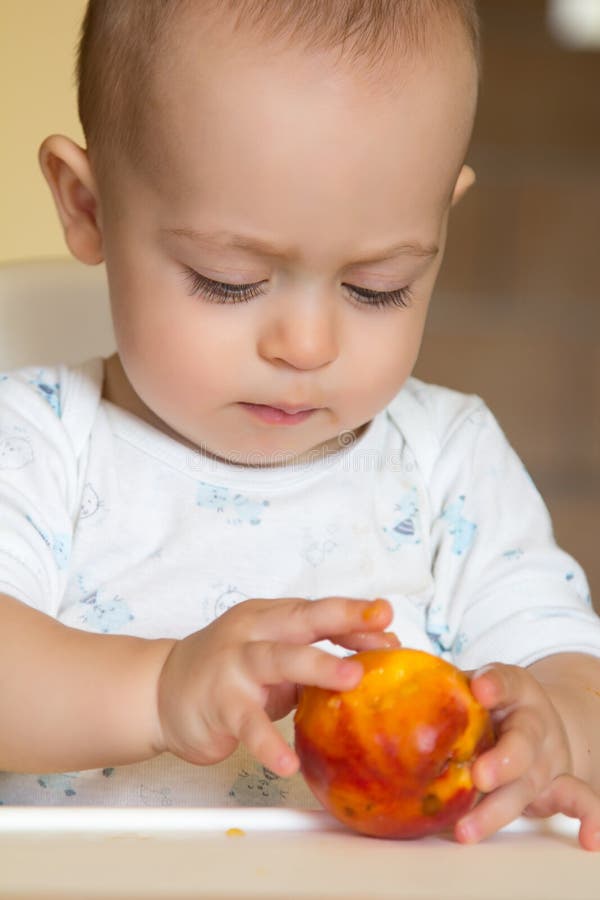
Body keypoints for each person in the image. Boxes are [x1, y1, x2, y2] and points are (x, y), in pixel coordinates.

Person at [0, 0, 599, 847]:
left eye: (377, 288)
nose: (307, 346)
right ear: (88, 206)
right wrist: (159, 690)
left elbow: (571, 669)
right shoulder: (36, 445)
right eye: (230, 280)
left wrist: (556, 727)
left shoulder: (448, 463)